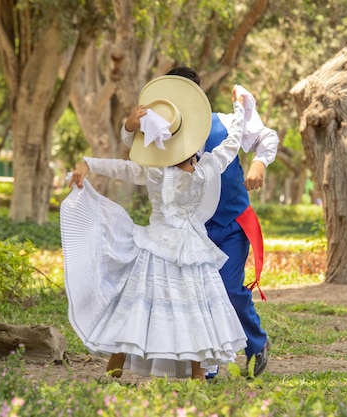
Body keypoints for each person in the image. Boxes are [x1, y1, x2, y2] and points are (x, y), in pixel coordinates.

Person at [61, 75, 248, 381]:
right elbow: (123, 166)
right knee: (145, 306)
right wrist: (89, 164)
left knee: (189, 307)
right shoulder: (170, 171)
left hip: (187, 248)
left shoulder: (204, 167)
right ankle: (121, 364)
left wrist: (240, 111)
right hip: (160, 247)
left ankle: (195, 373)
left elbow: (232, 143)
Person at [120, 67, 278, 378]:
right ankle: (207, 364)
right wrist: (128, 126)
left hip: (231, 223)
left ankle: (257, 341)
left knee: (230, 289)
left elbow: (265, 136)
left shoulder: (225, 122)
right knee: (196, 294)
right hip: (190, 232)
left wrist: (259, 163)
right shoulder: (163, 132)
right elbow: (134, 144)